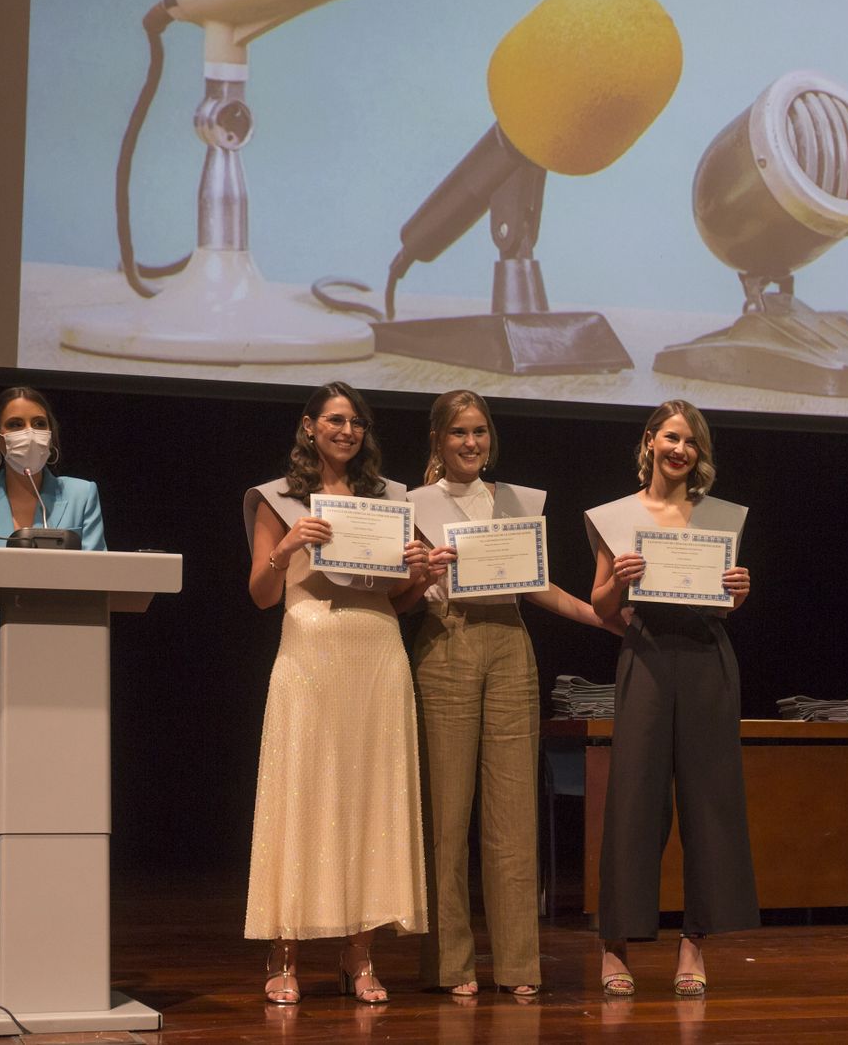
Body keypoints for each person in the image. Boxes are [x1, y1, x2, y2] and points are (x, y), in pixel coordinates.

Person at [405, 390, 607, 998]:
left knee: (513, 813)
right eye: (460, 433)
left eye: (480, 433)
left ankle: (519, 965)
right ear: (439, 441)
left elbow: (535, 582)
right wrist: (423, 576)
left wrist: (601, 617)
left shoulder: (515, 501)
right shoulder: (413, 503)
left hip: (510, 644)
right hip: (446, 641)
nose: (471, 443)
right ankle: (449, 965)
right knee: (447, 812)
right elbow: (402, 595)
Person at [242, 381, 430, 1005]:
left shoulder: (389, 501)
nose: (346, 431)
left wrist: (421, 576)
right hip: (309, 651)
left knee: (369, 801)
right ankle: (285, 950)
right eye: (334, 420)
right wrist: (288, 549)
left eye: (355, 422)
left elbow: (396, 601)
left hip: (376, 654)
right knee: (304, 795)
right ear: (308, 427)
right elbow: (262, 595)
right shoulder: (279, 499)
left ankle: (359, 952)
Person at [0, 386, 106, 995]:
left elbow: (98, 575)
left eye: (37, 423)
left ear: (52, 436)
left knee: (55, 822)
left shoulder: (79, 495)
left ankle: (50, 940)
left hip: (58, 681)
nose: (27, 433)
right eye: (14, 424)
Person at [585, 400, 758, 997]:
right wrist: (621, 581)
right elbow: (602, 605)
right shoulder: (615, 516)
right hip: (648, 654)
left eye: (692, 443)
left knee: (709, 803)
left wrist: (739, 591)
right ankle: (615, 946)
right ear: (650, 441)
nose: (680, 450)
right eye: (672, 438)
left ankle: (694, 942)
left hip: (708, 657)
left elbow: (724, 604)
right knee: (635, 799)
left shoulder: (720, 517)